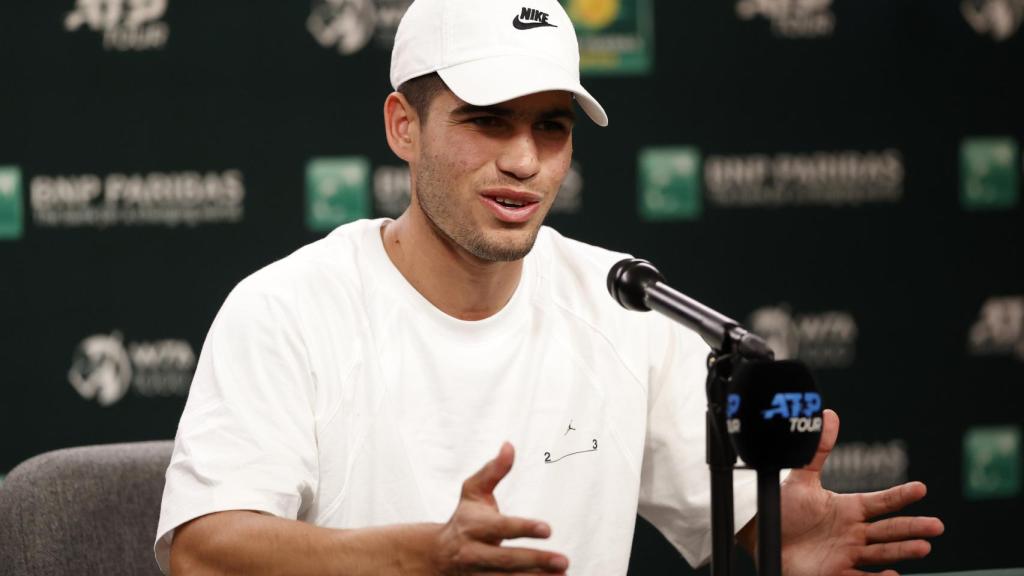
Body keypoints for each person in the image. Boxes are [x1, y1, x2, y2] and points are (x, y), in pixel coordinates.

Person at [155, 0, 944, 574]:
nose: (526, 162)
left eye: (551, 128)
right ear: (404, 125)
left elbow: (741, 526)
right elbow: (202, 549)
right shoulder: (288, 308)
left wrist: (776, 535)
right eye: (487, 121)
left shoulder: (620, 302)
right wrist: (419, 557)